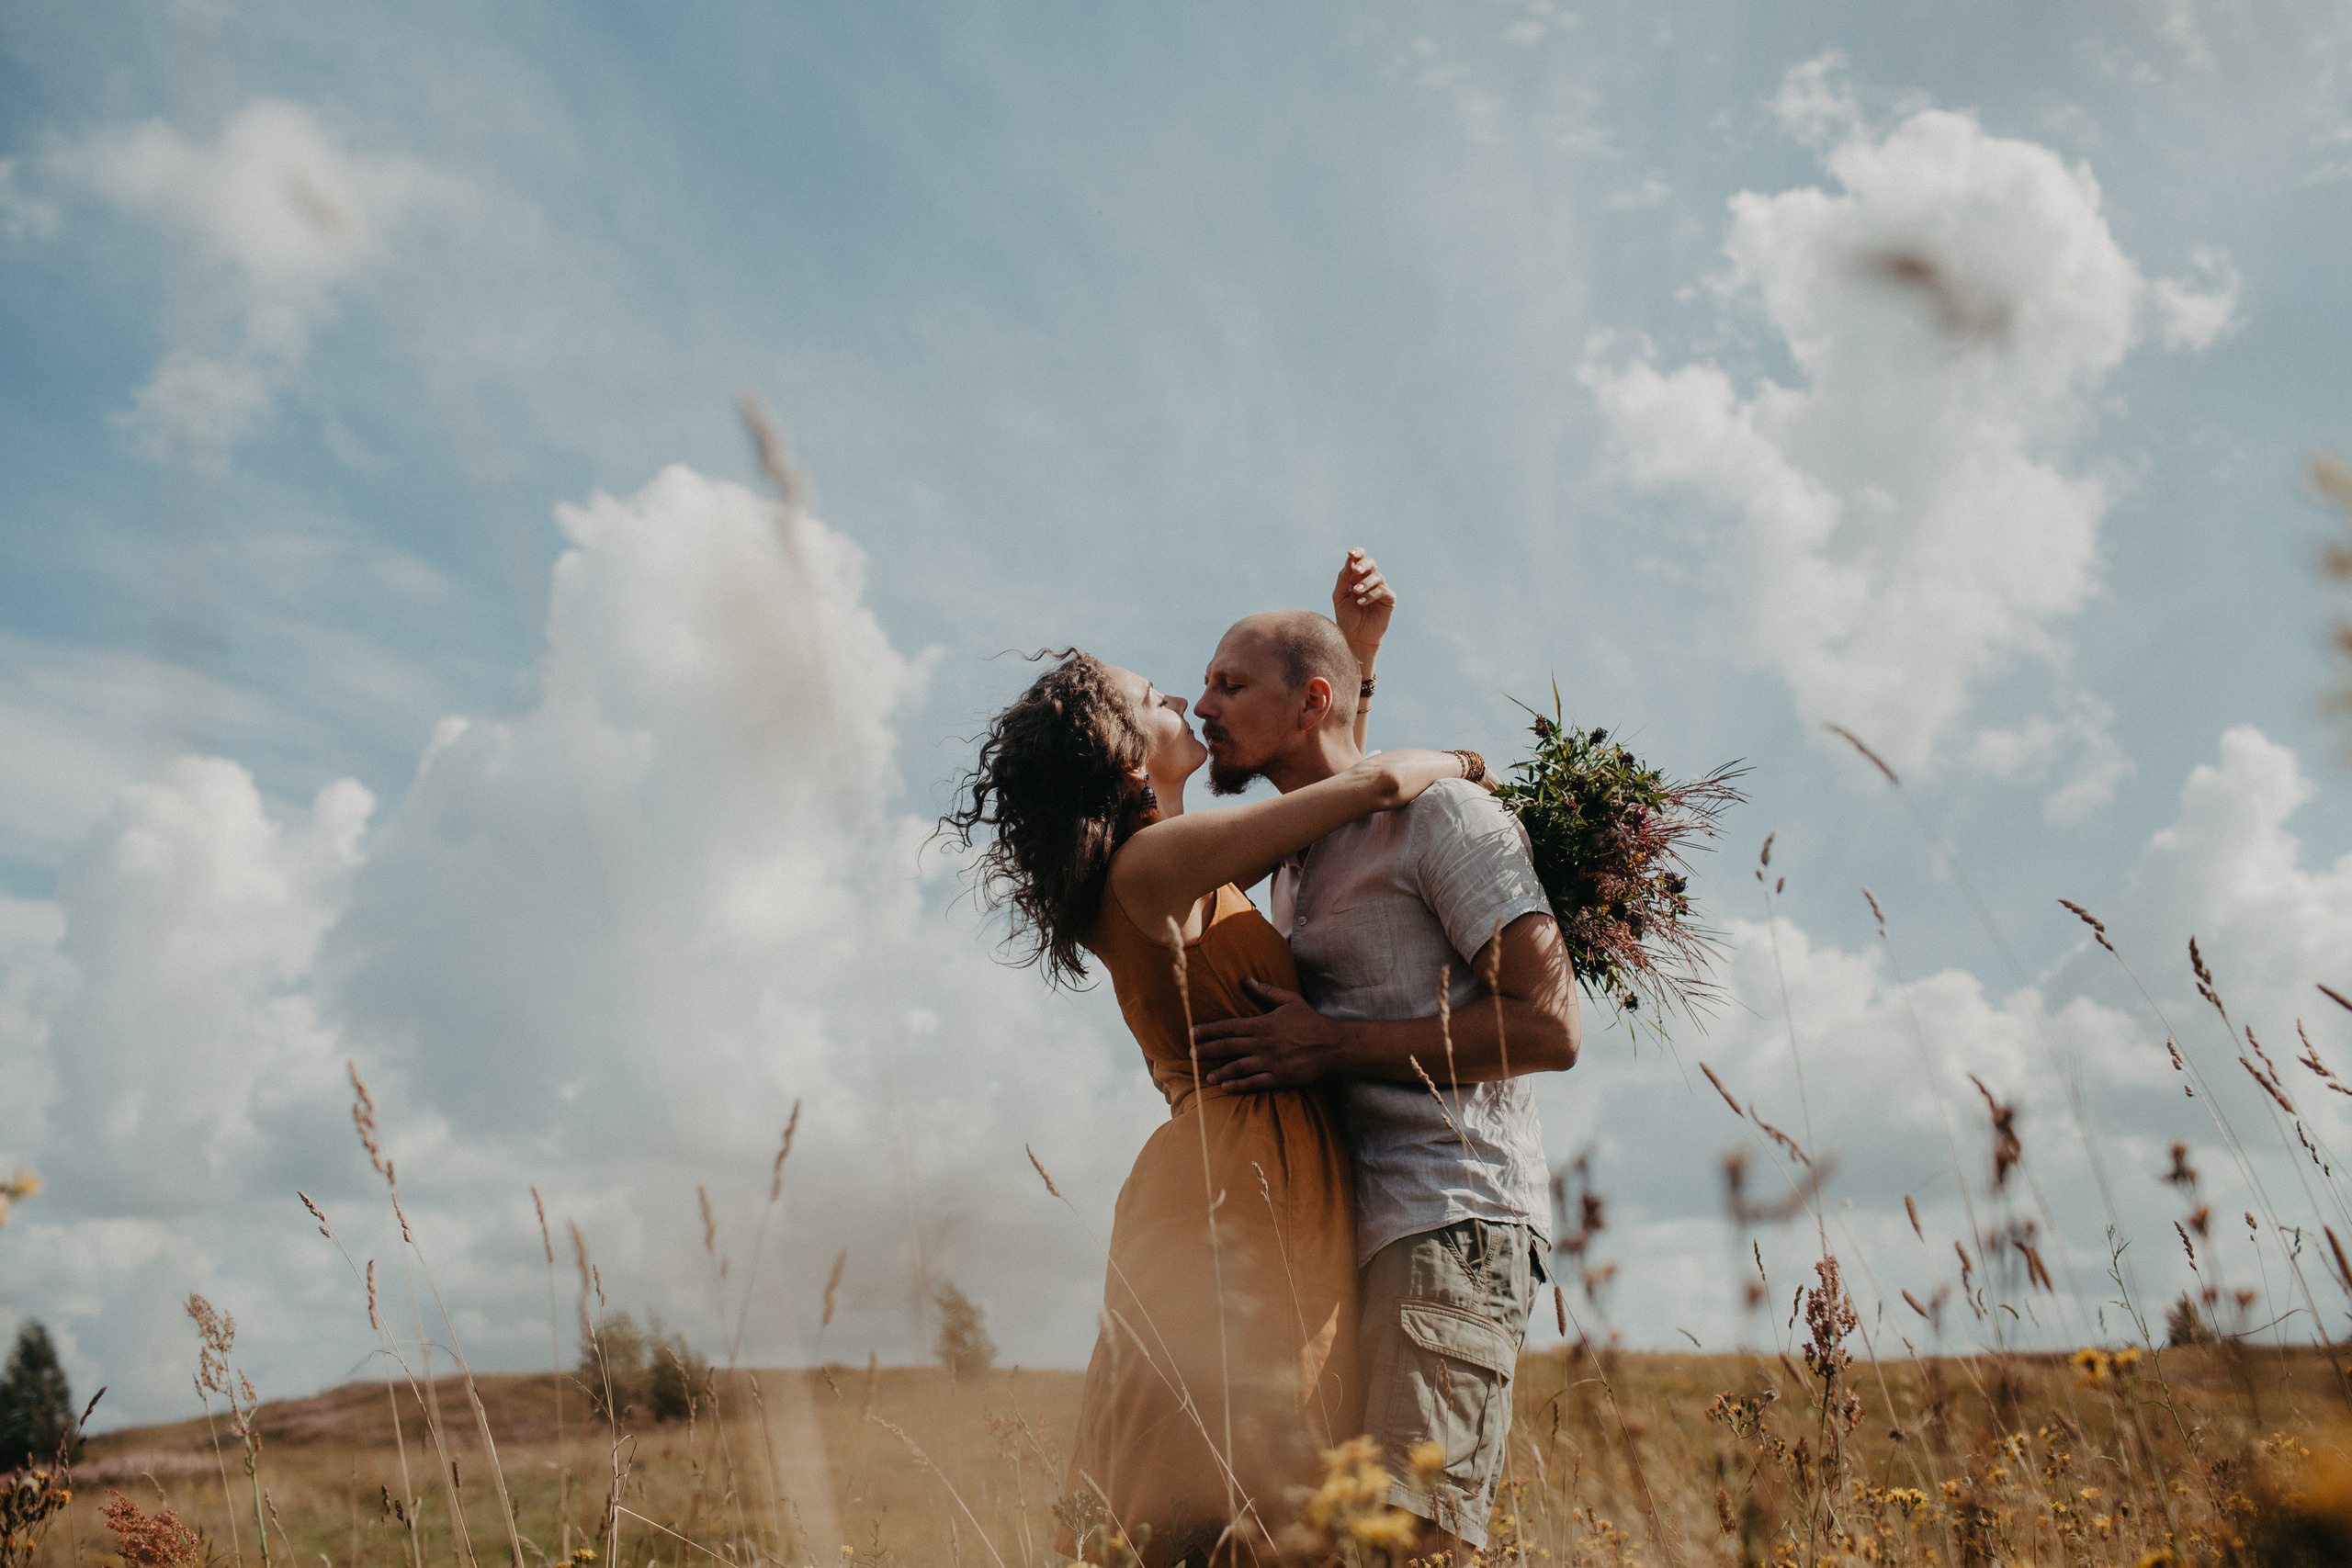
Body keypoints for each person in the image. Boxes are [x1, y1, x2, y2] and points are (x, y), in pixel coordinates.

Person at [941, 551, 1480, 1566]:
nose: (1186, 701)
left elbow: (1326, 807)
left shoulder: (1176, 858)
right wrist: (1463, 764)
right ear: (1125, 758)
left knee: (1267, 1473)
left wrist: (1355, 664)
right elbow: (1365, 789)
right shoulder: (1153, 863)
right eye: (1156, 698)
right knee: (1236, 1475)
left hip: (1261, 1167)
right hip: (1237, 1183)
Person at [1188, 610, 1581, 1562]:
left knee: (1405, 1543)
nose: (1202, 706)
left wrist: (1328, 1045)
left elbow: (1549, 1025)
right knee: (1325, 1541)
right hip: (1344, 1240)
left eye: (1230, 685)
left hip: (1450, 1216)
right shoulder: (1296, 864)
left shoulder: (1442, 817)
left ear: (1311, 701)